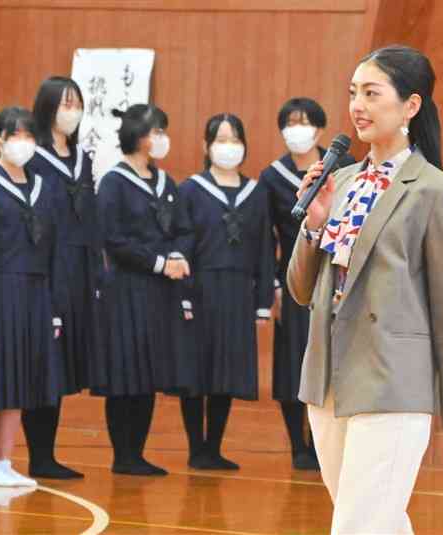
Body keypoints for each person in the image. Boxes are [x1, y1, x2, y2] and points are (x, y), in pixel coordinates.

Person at [287, 45, 443, 534]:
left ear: (410, 106)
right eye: (353, 93)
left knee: (357, 526)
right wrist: (313, 226)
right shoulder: (342, 181)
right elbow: (300, 288)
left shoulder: (436, 192)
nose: (358, 105)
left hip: (393, 385)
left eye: (372, 93)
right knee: (379, 524)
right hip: (328, 382)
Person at [0, 106, 71, 487]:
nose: (23, 143)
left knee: (19, 376)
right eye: (15, 135)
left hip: (35, 291)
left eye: (29, 136)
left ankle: (6, 460)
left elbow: (53, 249)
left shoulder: (43, 186)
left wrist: (52, 308)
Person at [94, 103, 193, 476]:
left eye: (164, 131)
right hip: (126, 289)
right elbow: (113, 239)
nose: (161, 139)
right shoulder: (114, 182)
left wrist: (179, 255)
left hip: (160, 292)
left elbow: (184, 229)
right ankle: (123, 454)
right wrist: (157, 263)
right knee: (126, 370)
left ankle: (138, 451)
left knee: (149, 371)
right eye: (156, 131)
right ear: (137, 135)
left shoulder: (167, 182)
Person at [259, 97, 354, 470]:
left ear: (319, 128)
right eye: (290, 122)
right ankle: (297, 443)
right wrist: (274, 287)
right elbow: (265, 238)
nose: (296, 129)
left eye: (304, 121)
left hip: (333, 275)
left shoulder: (342, 168)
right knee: (291, 361)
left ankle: (323, 441)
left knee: (328, 359)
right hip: (294, 277)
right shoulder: (272, 176)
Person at [177, 113, 274, 470]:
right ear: (206, 146)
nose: (228, 147)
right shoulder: (189, 190)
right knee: (197, 370)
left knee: (225, 370)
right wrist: (182, 294)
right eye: (220, 139)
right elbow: (181, 244)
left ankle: (214, 448)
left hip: (237, 291)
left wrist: (263, 300)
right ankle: (195, 448)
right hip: (200, 288)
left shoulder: (256, 193)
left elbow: (265, 247)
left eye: (235, 140)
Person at [21, 76, 99, 480]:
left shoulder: (82, 157)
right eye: (64, 102)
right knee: (43, 363)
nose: (71, 110)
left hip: (79, 270)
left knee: (64, 365)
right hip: (46, 266)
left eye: (77, 103)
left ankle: (47, 454)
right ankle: (39, 455)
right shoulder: (32, 156)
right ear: (47, 106)